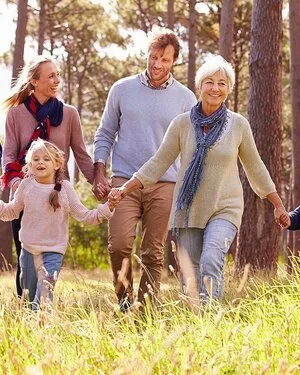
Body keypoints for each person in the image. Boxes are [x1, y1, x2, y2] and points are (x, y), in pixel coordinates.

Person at [108, 55, 289, 305]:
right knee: (190, 274)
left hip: (225, 208)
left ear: (228, 89)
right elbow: (159, 162)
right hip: (189, 209)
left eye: (222, 83)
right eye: (209, 82)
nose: (215, 88)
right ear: (200, 86)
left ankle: (210, 320)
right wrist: (125, 188)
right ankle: (196, 322)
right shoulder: (182, 124)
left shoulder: (238, 125)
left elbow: (255, 167)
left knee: (211, 259)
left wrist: (277, 204)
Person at [93, 26, 197, 311]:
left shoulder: (186, 99)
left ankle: (145, 309)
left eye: (164, 59)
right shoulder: (122, 89)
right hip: (124, 181)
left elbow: (191, 146)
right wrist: (99, 172)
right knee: (119, 244)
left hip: (165, 183)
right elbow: (105, 133)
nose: (157, 64)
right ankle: (124, 302)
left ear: (174, 61)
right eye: (153, 57)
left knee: (152, 252)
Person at [1, 55, 94, 298]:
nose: (57, 80)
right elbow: (9, 156)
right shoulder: (15, 114)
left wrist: (98, 182)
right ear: (34, 81)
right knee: (26, 258)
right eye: (50, 76)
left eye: (58, 75)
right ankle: (26, 308)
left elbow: (82, 154)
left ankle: (43, 306)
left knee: (51, 258)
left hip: (56, 196)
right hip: (25, 195)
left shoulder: (69, 114)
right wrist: (18, 184)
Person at [0, 139, 114, 310]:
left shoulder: (65, 189)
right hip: (29, 252)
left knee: (44, 297)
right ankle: (31, 331)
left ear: (57, 164)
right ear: (30, 164)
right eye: (36, 159)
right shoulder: (26, 186)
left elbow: (85, 216)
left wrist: (108, 207)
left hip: (53, 253)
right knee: (29, 298)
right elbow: (11, 211)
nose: (40, 162)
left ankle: (41, 329)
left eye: (46, 159)